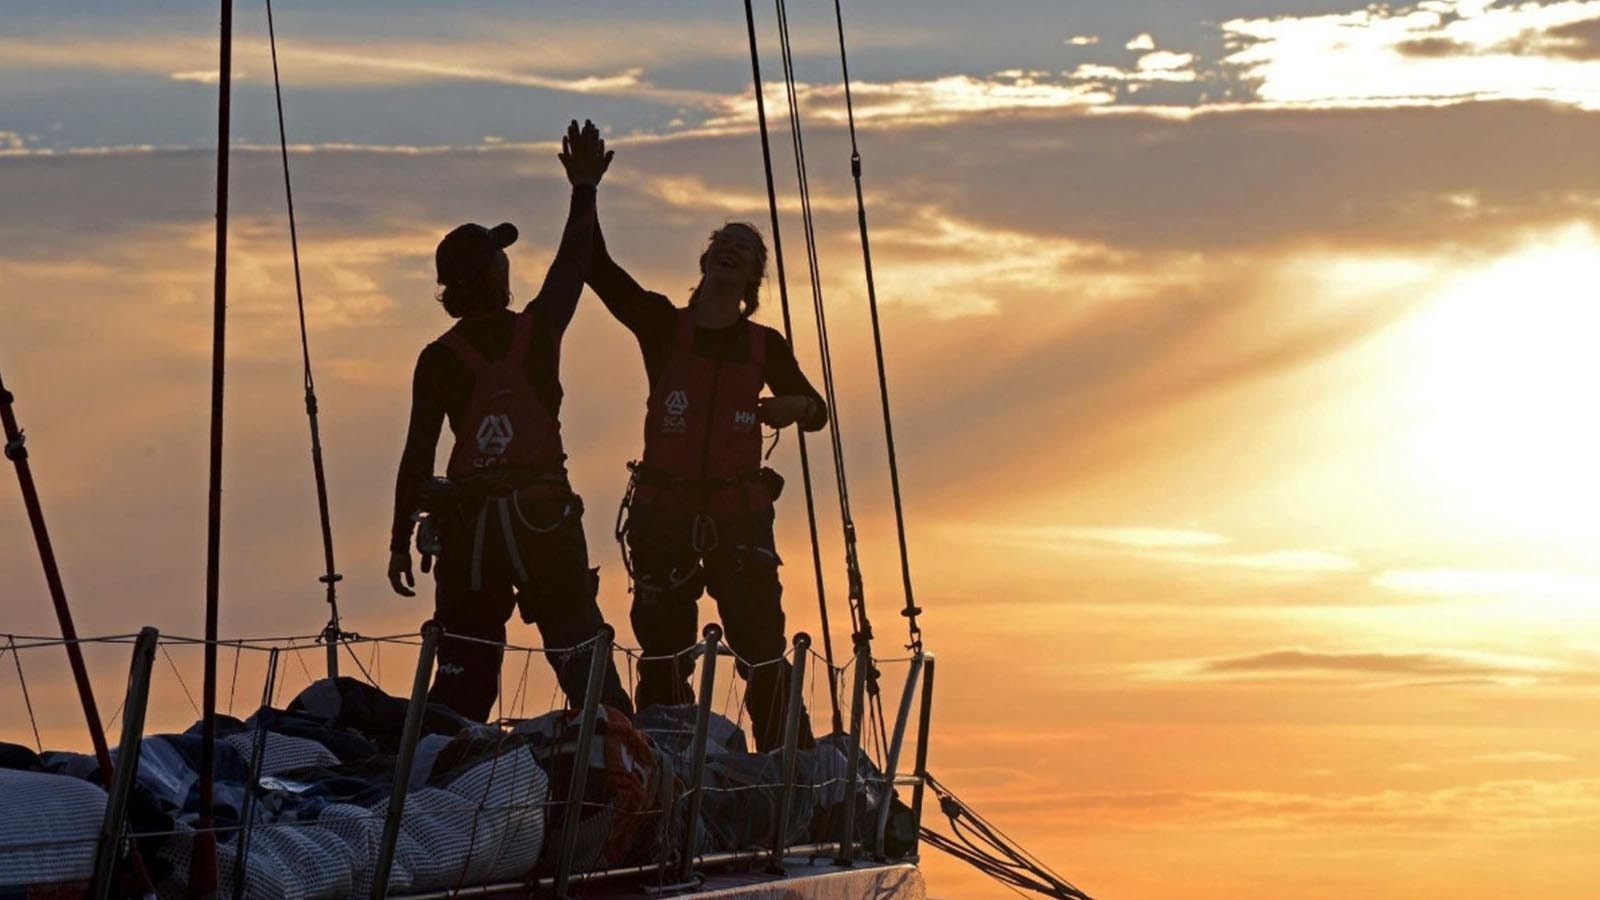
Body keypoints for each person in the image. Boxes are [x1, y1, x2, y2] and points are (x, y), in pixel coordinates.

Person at [387, 119, 630, 723]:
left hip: (469, 529)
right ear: (497, 274)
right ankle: (629, 769)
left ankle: (436, 783)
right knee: (583, 661)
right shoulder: (539, 330)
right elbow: (573, 263)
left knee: (464, 683)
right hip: (541, 519)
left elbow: (417, 457)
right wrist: (584, 188)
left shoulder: (437, 358)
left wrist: (398, 540)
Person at [588, 194, 828, 751]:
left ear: (752, 278)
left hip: (738, 519)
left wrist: (798, 407)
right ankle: (663, 767)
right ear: (705, 260)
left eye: (744, 249)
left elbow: (816, 412)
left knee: (762, 648)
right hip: (663, 517)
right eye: (724, 243)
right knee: (664, 651)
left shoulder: (765, 346)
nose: (731, 251)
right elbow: (597, 269)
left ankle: (787, 768)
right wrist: (586, 189)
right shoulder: (661, 325)